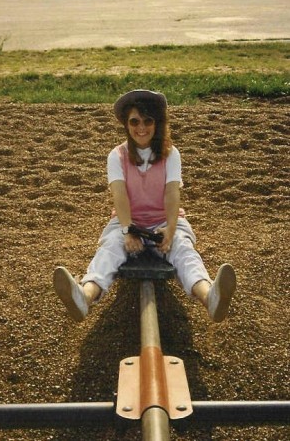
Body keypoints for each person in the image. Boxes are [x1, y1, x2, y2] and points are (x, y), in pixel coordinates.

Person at [53, 89, 236, 324]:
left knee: (183, 250)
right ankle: (84, 297)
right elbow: (119, 195)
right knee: (110, 249)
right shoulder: (116, 156)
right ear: (126, 125)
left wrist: (170, 230)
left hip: (165, 221)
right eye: (134, 121)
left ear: (157, 122)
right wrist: (129, 230)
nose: (141, 127)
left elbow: (172, 193)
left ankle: (209, 296)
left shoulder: (171, 155)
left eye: (148, 120)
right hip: (128, 221)